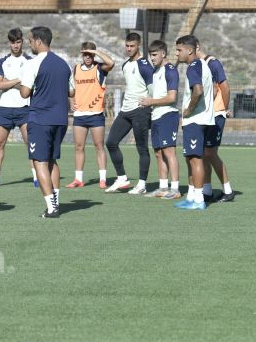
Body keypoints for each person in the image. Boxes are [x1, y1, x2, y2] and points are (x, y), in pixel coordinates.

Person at [18, 26, 73, 218]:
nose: (29, 44)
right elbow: (72, 92)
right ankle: (55, 202)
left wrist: (21, 84)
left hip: (41, 119)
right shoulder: (64, 63)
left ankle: (51, 207)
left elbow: (24, 92)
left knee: (39, 162)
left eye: (31, 40)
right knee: (52, 160)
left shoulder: (33, 64)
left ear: (39, 41)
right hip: (61, 119)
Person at [0, 28, 38, 188]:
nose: (15, 45)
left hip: (24, 108)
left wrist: (9, 82)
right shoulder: (1, 62)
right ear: (9, 43)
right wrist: (18, 81)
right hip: (6, 108)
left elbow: (30, 85)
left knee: (30, 144)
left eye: (18, 42)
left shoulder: (30, 61)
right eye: (13, 42)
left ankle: (36, 177)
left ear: (22, 42)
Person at [105, 32, 154, 194]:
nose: (129, 49)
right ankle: (121, 178)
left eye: (132, 46)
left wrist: (151, 105)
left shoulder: (145, 65)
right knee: (111, 142)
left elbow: (152, 88)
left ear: (138, 46)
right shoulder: (125, 65)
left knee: (142, 148)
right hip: (125, 110)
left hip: (140, 111)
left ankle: (141, 184)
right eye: (127, 46)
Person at [174, 34, 214, 210]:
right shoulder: (203, 65)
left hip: (195, 120)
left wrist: (189, 110)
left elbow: (198, 91)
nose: (176, 54)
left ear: (190, 50)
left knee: (196, 160)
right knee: (191, 158)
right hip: (202, 119)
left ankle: (199, 200)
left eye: (179, 50)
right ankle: (191, 197)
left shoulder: (193, 67)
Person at [67, 42, 114, 189]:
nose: (87, 57)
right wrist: (71, 102)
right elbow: (71, 90)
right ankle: (78, 179)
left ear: (94, 54)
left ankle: (102, 179)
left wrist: (96, 51)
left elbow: (111, 62)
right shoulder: (75, 69)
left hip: (96, 115)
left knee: (99, 146)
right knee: (79, 147)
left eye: (90, 54)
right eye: (85, 54)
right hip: (80, 115)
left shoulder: (100, 68)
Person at [139, 40, 181, 199]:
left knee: (169, 152)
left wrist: (151, 102)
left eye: (154, 55)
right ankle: (163, 187)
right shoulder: (156, 72)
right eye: (150, 55)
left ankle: (175, 189)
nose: (152, 58)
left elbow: (172, 97)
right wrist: (148, 100)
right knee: (158, 153)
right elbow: (159, 95)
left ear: (163, 53)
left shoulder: (170, 70)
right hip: (156, 116)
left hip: (168, 116)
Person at [197, 44, 235, 202]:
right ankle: (207, 191)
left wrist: (223, 109)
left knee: (210, 153)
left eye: (180, 50)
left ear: (195, 47)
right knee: (204, 153)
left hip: (216, 115)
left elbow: (225, 88)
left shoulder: (213, 63)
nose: (178, 53)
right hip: (205, 116)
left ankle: (228, 191)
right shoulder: (198, 66)